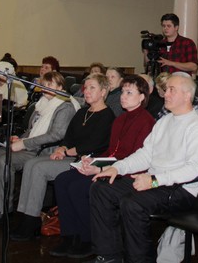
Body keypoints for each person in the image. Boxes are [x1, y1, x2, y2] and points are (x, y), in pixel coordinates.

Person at [88, 73, 198, 263]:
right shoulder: (164, 122)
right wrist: (117, 168)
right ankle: (109, 255)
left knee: (133, 203)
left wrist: (154, 180)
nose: (165, 94)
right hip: (155, 181)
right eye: (166, 89)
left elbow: (194, 169)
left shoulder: (197, 126)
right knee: (102, 188)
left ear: (187, 96)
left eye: (172, 90)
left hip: (181, 189)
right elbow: (145, 155)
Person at [49, 76, 155, 258]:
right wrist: (92, 160)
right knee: (62, 180)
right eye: (122, 91)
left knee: (77, 187)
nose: (123, 96)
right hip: (110, 164)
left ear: (142, 97)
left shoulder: (146, 121)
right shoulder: (121, 120)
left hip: (126, 171)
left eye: (129, 92)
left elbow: (136, 157)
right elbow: (111, 150)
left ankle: (87, 238)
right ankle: (69, 236)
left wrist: (102, 167)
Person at [0, 73, 115, 234]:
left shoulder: (107, 116)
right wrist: (61, 148)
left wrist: (67, 151)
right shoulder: (82, 112)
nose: (86, 91)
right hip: (69, 155)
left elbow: (93, 144)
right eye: (86, 88)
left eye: (92, 88)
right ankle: (25, 215)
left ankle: (31, 221)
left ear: (103, 92)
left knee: (39, 168)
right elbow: (68, 137)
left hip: (84, 161)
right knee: (31, 163)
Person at [0, 71, 75, 228]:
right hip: (30, 145)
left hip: (44, 150)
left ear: (61, 87)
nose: (45, 88)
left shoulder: (65, 107)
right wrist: (20, 138)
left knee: (4, 161)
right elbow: (32, 129)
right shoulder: (42, 104)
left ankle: (3, 209)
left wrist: (24, 144)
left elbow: (56, 135)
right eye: (44, 84)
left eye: (50, 85)